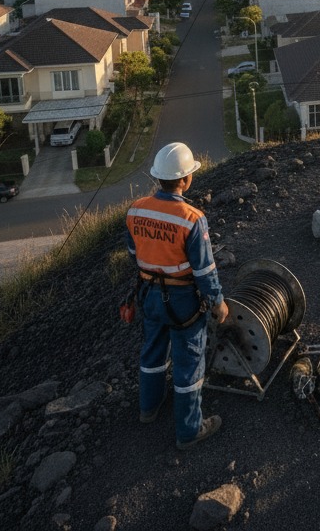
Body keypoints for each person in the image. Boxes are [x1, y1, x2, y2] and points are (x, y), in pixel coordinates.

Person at [126, 142, 229, 449]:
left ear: (159, 178)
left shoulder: (136, 210)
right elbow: (204, 270)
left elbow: (134, 254)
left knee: (153, 351)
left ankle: (149, 407)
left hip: (149, 294)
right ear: (185, 180)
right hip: (182, 300)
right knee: (189, 363)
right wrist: (218, 302)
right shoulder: (191, 218)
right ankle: (189, 429)